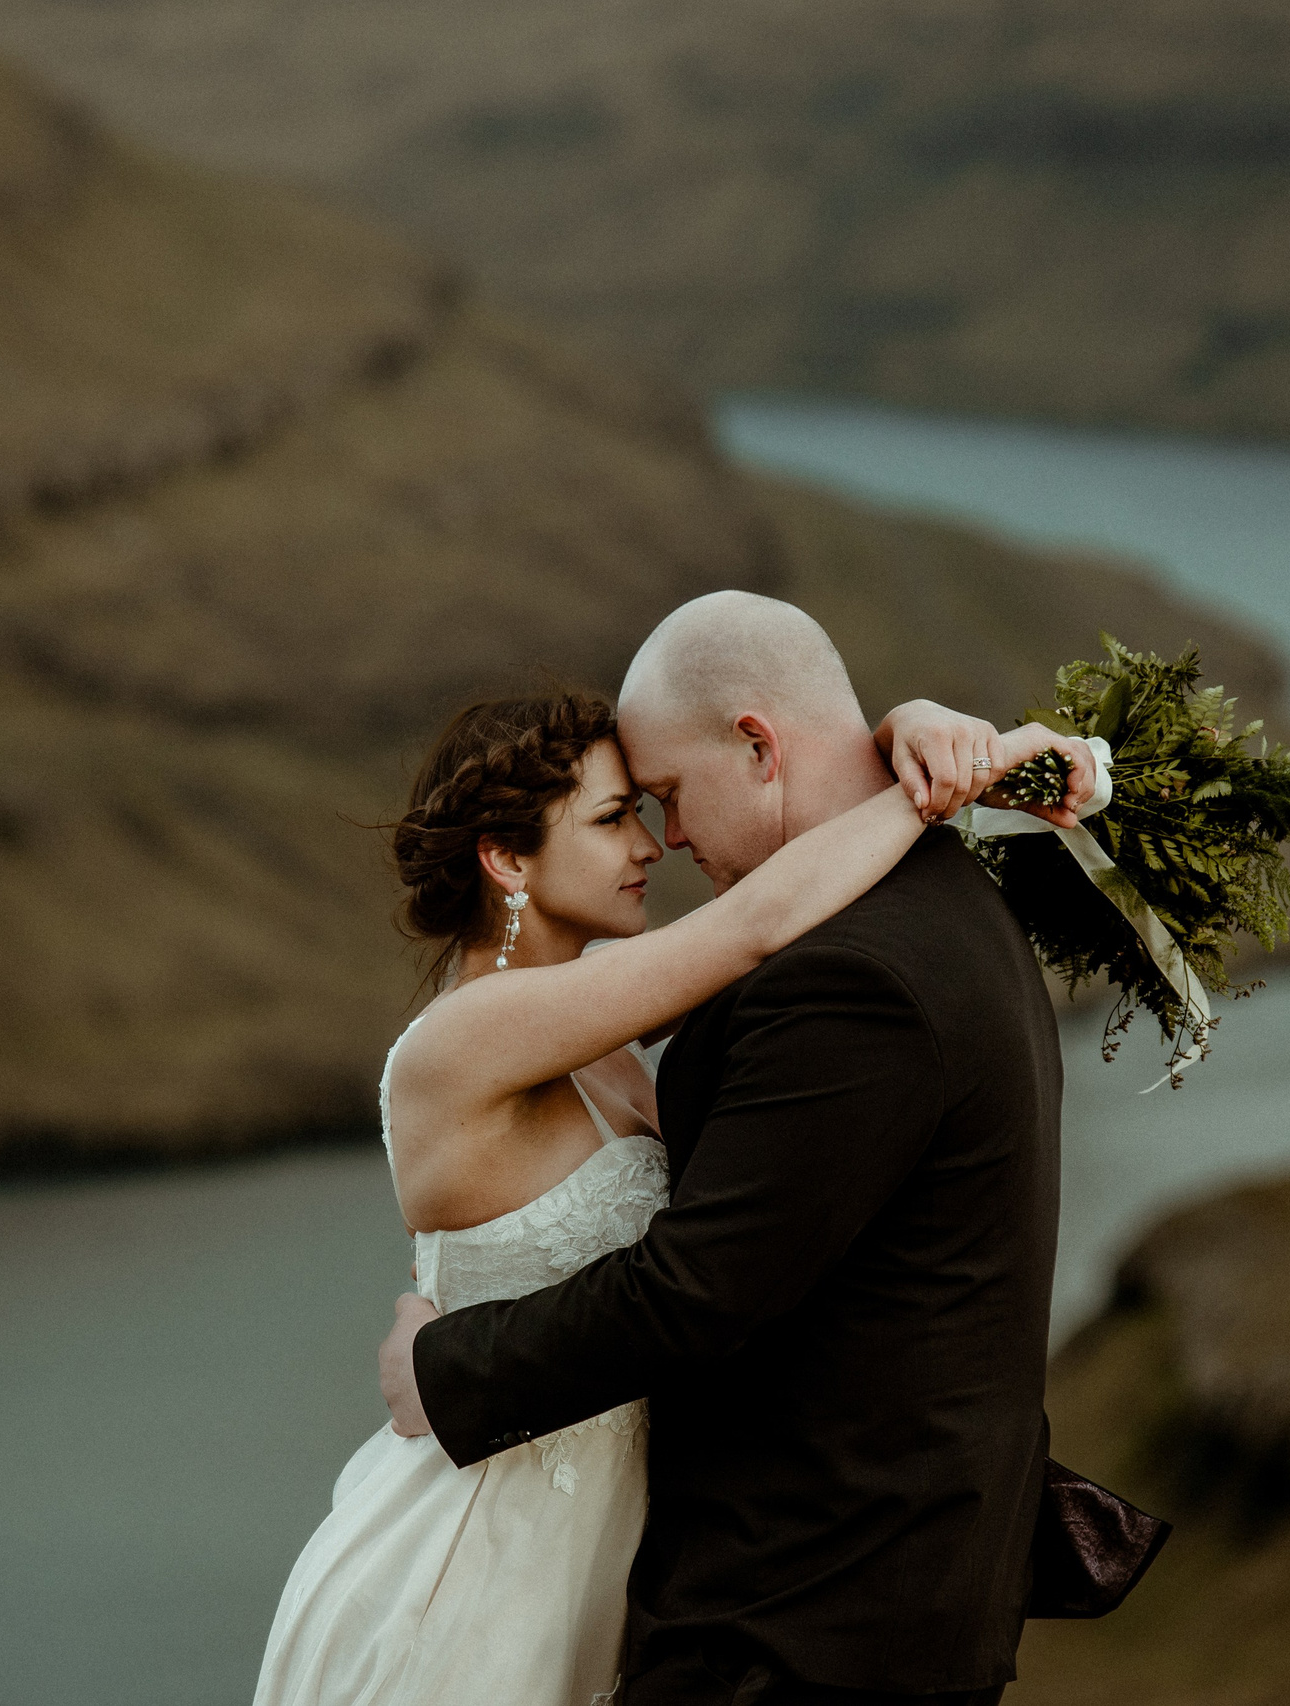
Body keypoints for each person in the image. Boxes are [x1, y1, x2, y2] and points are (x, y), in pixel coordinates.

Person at [256, 592, 1089, 1706]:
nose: (662, 838)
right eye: (619, 816)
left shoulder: (643, 1016)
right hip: (495, 1559)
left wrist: (909, 739)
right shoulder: (483, 1033)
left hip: (730, 1588)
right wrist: (925, 782)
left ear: (753, 744)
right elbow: (749, 928)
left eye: (660, 799)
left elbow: (699, 1273)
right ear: (508, 860)